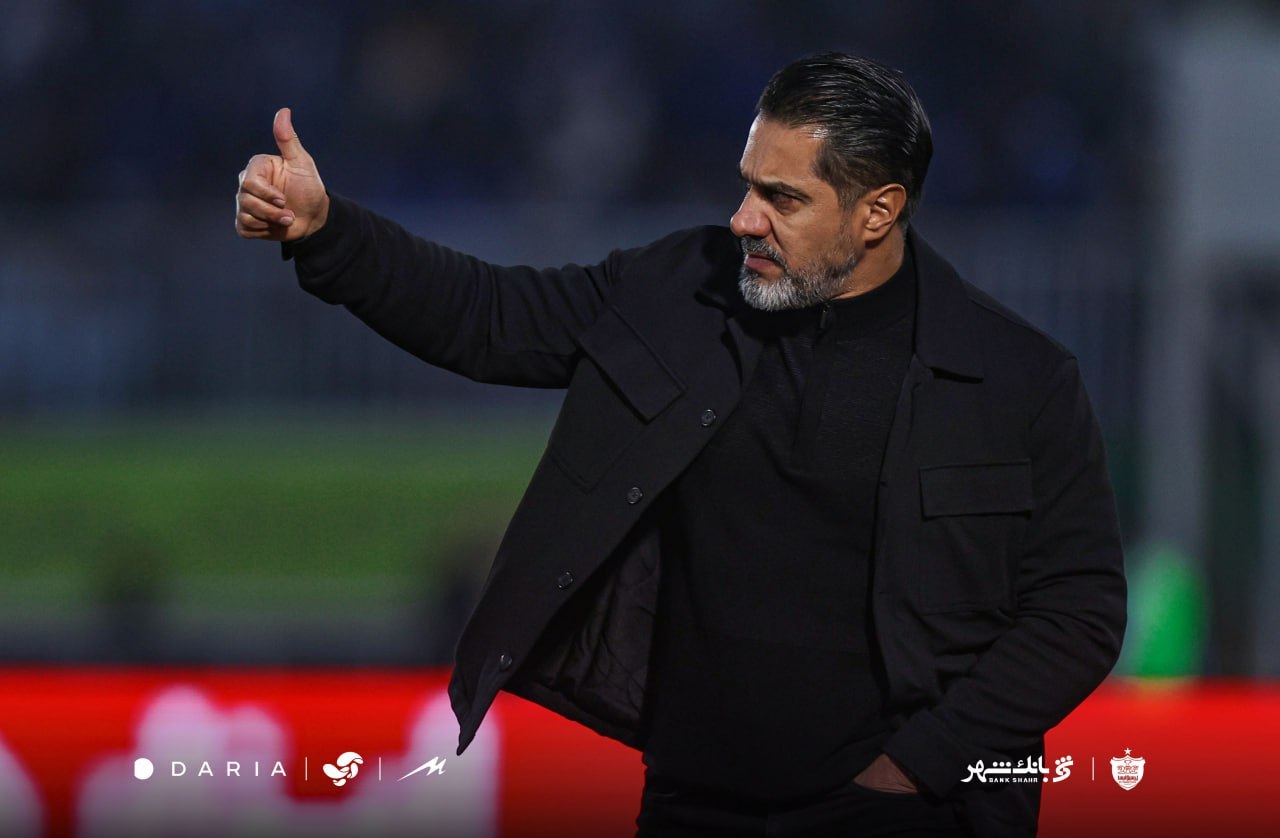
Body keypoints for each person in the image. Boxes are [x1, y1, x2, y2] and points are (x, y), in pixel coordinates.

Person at [236, 52, 1126, 837]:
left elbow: (1079, 610)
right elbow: (489, 316)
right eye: (747, 185)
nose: (745, 219)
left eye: (782, 198)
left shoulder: (1018, 377)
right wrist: (328, 231)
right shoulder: (682, 289)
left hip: (911, 815)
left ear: (878, 212)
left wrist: (919, 767)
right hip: (696, 805)